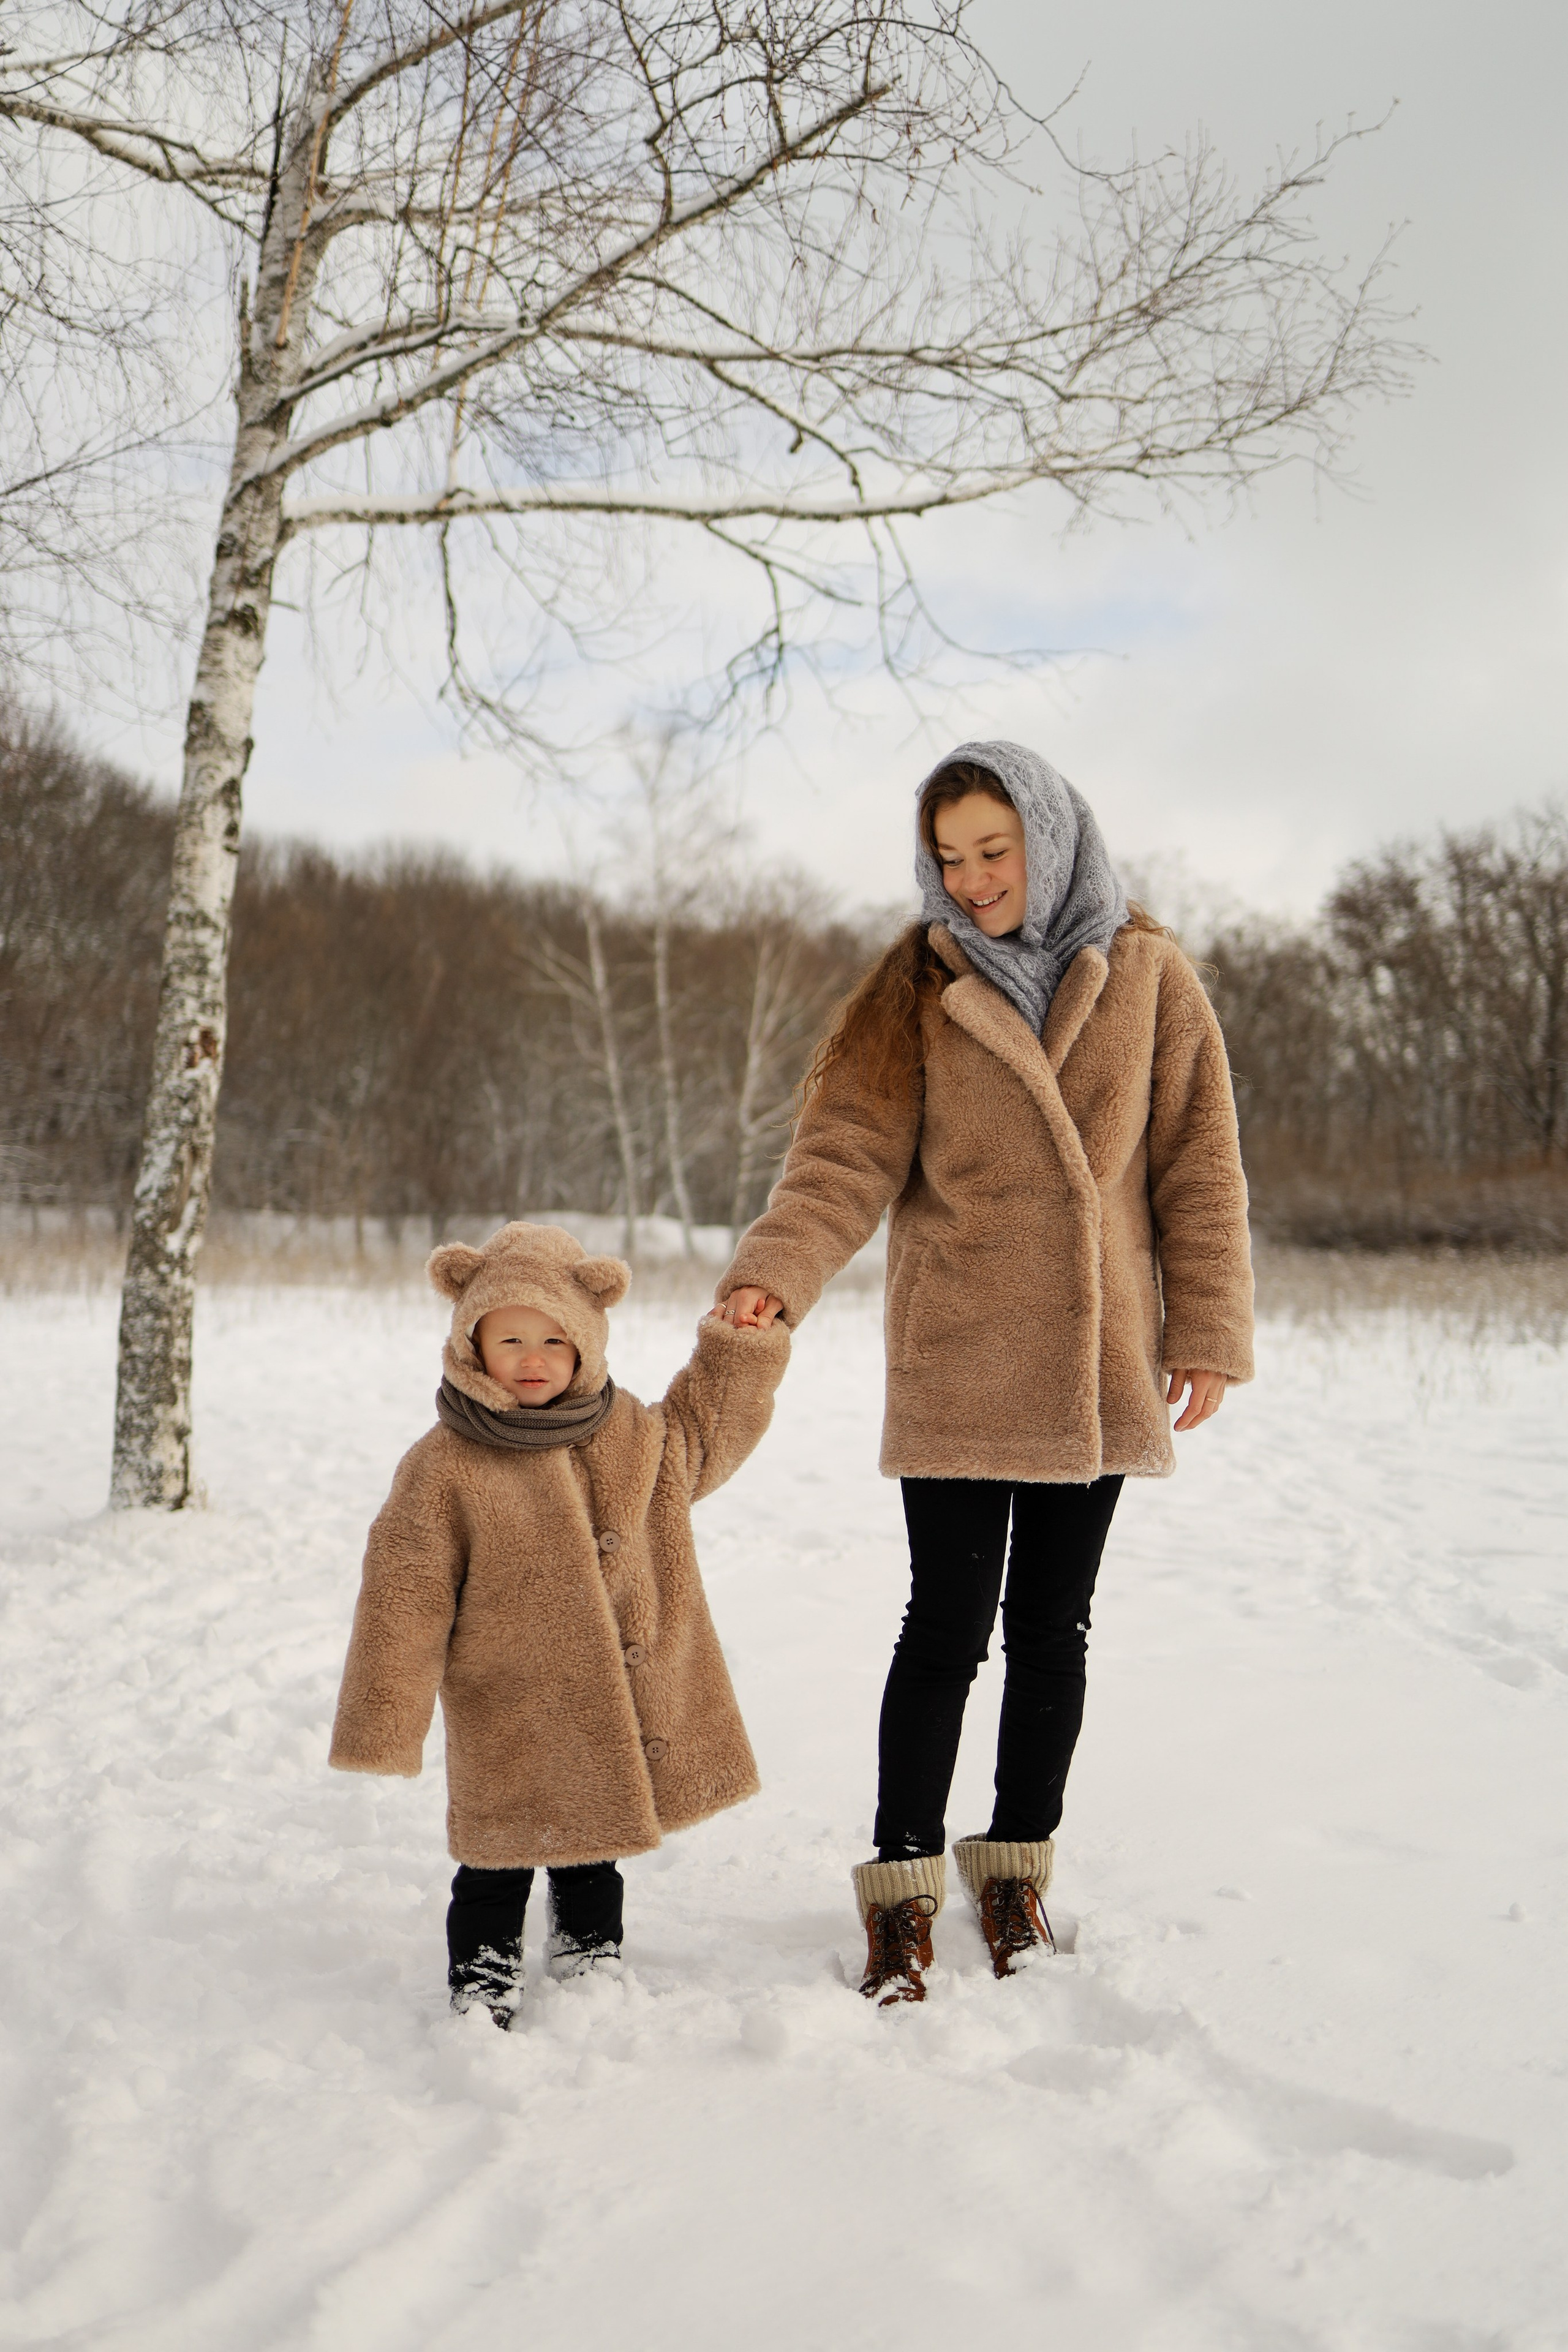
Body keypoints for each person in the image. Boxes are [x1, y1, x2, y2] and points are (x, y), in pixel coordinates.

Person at [717, 742, 1253, 2007]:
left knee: (1051, 1630)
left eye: (992, 852)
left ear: (1051, 840)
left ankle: (1012, 1870)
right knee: (945, 1628)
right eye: (947, 858)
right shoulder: (916, 983)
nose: (969, 881)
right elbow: (843, 1152)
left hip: (1093, 1353)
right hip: (959, 1351)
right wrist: (775, 1273)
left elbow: (1197, 1158)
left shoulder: (1147, 976)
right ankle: (901, 1887)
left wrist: (1207, 1328)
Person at [330, 1219, 788, 2027]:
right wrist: (385, 1721)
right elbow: (405, 1593)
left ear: (587, 1342)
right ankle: (482, 1974)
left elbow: (706, 1430)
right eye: (510, 1340)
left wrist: (734, 1349)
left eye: (553, 1340)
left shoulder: (632, 1438)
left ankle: (589, 1957)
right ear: (472, 1343)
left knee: (592, 1847)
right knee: (495, 1858)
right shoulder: (445, 1463)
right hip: (503, 1700)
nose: (532, 1360)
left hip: (601, 1702)